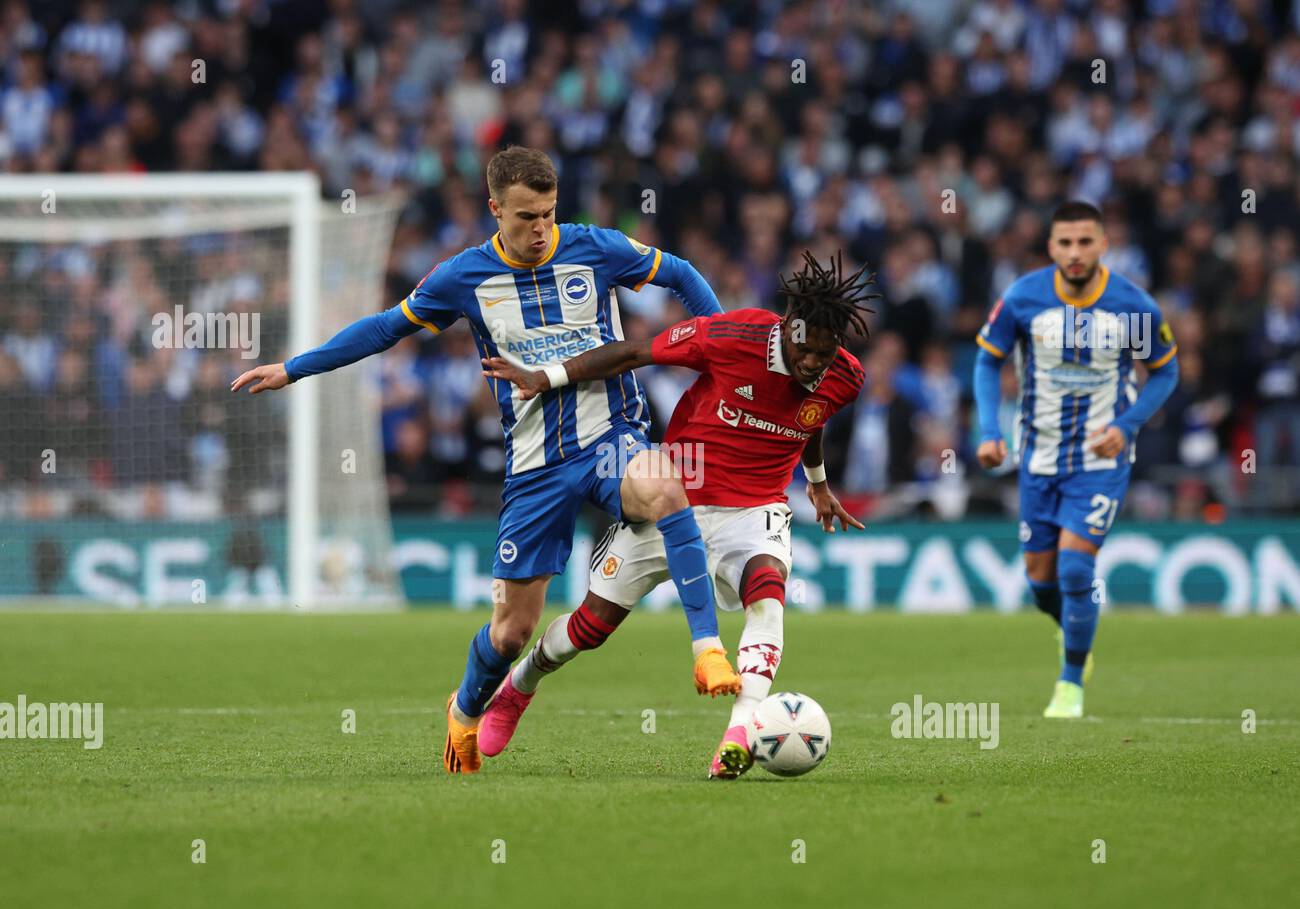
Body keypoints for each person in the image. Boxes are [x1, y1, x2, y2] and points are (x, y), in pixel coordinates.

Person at [231, 146, 740, 773]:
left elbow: (683, 275)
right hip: (535, 468)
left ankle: (708, 647)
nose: (539, 230)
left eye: (549, 215)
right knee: (510, 634)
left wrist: (724, 350)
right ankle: (466, 709)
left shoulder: (597, 248)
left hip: (612, 439)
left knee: (666, 487)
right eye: (525, 217)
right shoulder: (463, 278)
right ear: (494, 208)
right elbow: (386, 328)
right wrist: (294, 367)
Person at [480, 251, 874, 778]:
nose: (812, 364)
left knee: (768, 594)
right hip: (674, 496)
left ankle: (740, 733)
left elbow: (812, 417)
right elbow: (634, 353)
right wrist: (546, 378)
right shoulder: (732, 336)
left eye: (823, 356)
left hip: (755, 507)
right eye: (805, 350)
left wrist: (818, 483)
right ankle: (519, 685)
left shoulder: (844, 376)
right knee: (590, 628)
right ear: (787, 328)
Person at [973, 200, 1179, 718]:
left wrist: (1126, 426)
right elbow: (986, 359)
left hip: (1100, 458)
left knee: (1072, 568)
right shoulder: (1025, 298)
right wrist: (989, 429)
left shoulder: (1131, 306)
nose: (1075, 253)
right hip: (1038, 457)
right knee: (1040, 583)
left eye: (1085, 241)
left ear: (1103, 243)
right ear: (1050, 246)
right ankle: (1075, 631)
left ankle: (1070, 682)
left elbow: (1166, 372)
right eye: (1065, 243)